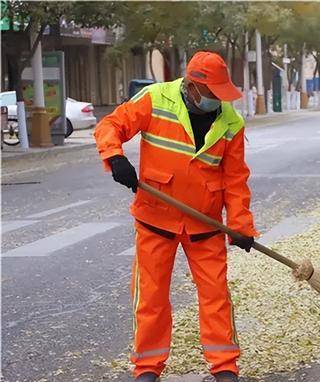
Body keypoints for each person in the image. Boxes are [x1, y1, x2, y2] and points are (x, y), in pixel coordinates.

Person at [94, 51, 257, 382]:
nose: (219, 100)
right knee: (151, 297)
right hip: (156, 220)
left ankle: (225, 366)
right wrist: (115, 157)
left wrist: (240, 226)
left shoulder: (231, 122)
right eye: (213, 93)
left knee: (216, 296)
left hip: (205, 223)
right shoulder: (156, 99)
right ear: (193, 86)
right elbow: (111, 124)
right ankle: (147, 368)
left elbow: (235, 181)